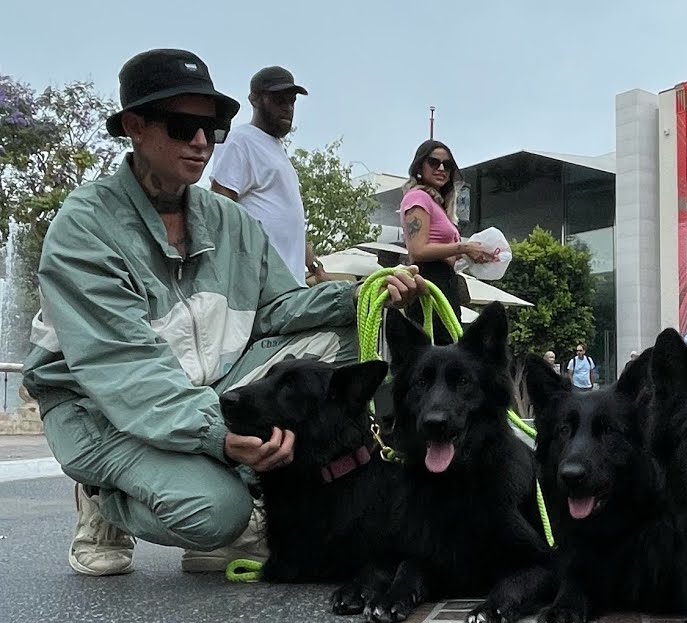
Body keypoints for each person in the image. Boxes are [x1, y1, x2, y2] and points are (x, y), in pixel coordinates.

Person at [21, 48, 429, 578]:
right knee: (216, 514)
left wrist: (358, 296)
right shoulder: (84, 229)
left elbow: (279, 308)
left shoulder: (230, 221)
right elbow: (127, 371)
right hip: (100, 409)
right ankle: (105, 497)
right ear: (135, 127)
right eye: (182, 125)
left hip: (207, 385)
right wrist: (220, 437)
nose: (200, 142)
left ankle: (268, 486)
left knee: (355, 339)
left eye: (211, 128)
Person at [210, 66, 325, 285]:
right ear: (254, 99)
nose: (287, 108)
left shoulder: (276, 149)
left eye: (291, 102)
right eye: (279, 100)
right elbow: (219, 211)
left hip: (289, 288)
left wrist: (315, 267)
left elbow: (291, 225)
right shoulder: (240, 140)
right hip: (259, 289)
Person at [399, 139, 492, 344]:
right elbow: (418, 250)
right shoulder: (418, 198)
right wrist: (464, 247)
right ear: (420, 167)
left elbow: (441, 251)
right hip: (428, 281)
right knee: (440, 350)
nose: (441, 168)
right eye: (434, 162)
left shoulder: (437, 204)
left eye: (447, 165)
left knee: (450, 348)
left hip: (444, 282)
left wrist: (472, 252)